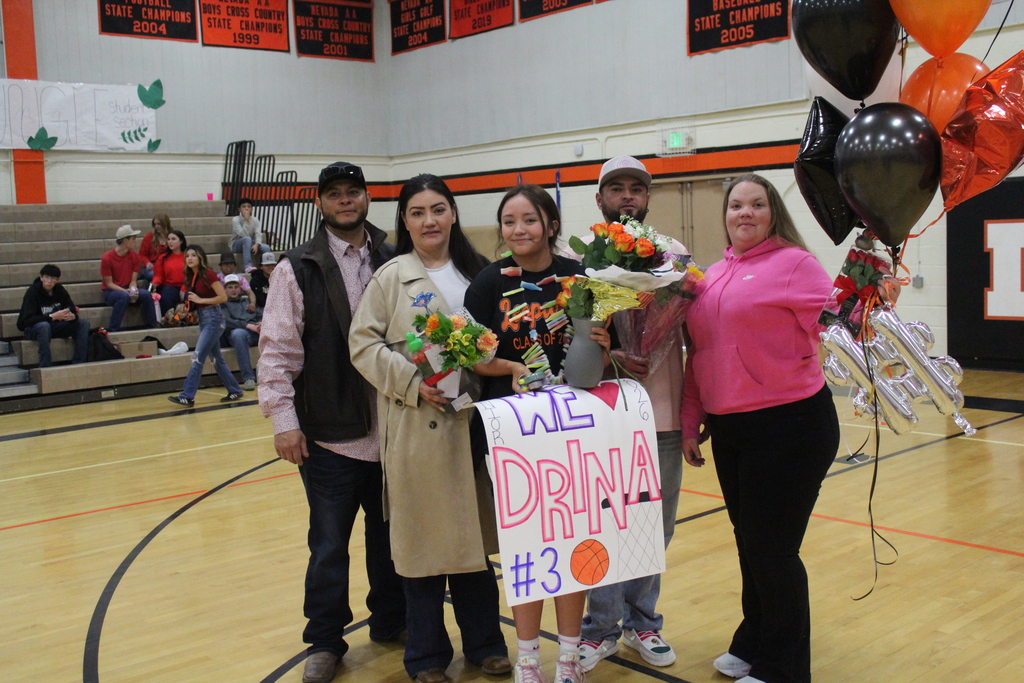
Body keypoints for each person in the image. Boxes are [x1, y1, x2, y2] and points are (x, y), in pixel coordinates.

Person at [681, 174, 843, 683]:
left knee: (773, 550)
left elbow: (840, 320)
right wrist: (691, 419)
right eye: (736, 205)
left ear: (773, 212)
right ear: (725, 215)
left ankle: (784, 667)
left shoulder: (795, 263)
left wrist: (867, 286)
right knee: (749, 543)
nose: (745, 213)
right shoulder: (711, 276)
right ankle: (755, 640)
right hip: (733, 429)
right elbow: (701, 354)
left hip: (791, 424)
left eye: (756, 204)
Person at [350, 175, 509, 683]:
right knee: (421, 547)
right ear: (405, 220)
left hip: (474, 427)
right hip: (418, 429)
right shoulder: (391, 278)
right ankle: (425, 656)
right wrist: (412, 382)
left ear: (453, 214)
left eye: (438, 209)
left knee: (472, 542)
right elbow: (363, 345)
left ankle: (486, 644)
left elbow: (499, 343)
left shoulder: (481, 273)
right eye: (417, 212)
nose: (429, 221)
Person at [257, 162, 405, 683]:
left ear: (366, 198)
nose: (345, 201)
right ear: (321, 203)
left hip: (394, 431)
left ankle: (391, 621)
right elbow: (277, 350)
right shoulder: (297, 268)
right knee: (328, 546)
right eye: (335, 194)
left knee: (390, 540)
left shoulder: (395, 256)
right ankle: (323, 640)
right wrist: (283, 421)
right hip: (330, 435)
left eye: (354, 193)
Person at [465, 184, 610, 683]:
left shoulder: (579, 277)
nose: (519, 229)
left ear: (550, 224)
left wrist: (603, 345)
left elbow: (596, 355)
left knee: (575, 544)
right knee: (525, 551)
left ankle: (568, 658)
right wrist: (506, 365)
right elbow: (471, 356)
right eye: (509, 221)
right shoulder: (486, 284)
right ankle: (529, 659)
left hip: (574, 430)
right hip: (512, 436)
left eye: (529, 219)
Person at [579, 156, 684, 671]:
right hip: (603, 417)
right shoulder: (584, 265)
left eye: (635, 190)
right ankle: (599, 629)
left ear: (648, 198)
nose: (626, 197)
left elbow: (694, 339)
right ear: (599, 199)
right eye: (615, 189)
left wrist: (692, 409)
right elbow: (576, 343)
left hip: (662, 417)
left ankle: (643, 622)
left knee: (654, 528)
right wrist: (612, 355)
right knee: (605, 524)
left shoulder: (674, 259)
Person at [167, 245, 244, 407]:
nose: (189, 258)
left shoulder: (208, 274)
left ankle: (187, 395)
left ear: (200, 257)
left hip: (214, 317)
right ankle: (235, 389)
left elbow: (223, 297)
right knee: (215, 358)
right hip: (204, 318)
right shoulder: (191, 276)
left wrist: (201, 301)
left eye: (193, 255)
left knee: (197, 358)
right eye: (187, 255)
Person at [17, 264, 90, 368]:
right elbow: (27, 321)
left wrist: (73, 316)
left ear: (57, 280)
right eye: (47, 277)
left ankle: (79, 362)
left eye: (53, 278)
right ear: (41, 278)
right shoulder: (32, 292)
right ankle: (45, 366)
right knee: (44, 326)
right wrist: (51, 317)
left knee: (83, 323)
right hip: (34, 328)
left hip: (54, 327)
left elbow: (71, 307)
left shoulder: (59, 290)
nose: (49, 281)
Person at [100, 225, 158, 332]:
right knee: (123, 297)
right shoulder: (107, 258)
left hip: (127, 288)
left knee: (145, 295)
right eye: (133, 239)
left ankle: (152, 326)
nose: (136, 241)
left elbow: (133, 280)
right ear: (125, 241)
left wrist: (133, 291)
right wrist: (126, 292)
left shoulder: (134, 256)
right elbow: (109, 284)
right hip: (111, 291)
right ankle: (113, 329)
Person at [220, 274, 260, 391]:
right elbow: (226, 321)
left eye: (236, 287)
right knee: (238, 334)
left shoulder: (247, 302)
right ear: (225, 289)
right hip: (236, 335)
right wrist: (248, 325)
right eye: (230, 287)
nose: (233, 290)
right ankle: (248, 377)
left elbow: (258, 315)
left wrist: (261, 323)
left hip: (254, 332)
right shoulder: (222, 304)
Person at [151, 230, 188, 316]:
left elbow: (193, 274)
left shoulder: (188, 256)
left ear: (181, 241)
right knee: (167, 296)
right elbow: (159, 275)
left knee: (189, 295)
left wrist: (184, 287)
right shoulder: (163, 257)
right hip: (170, 285)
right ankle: (169, 320)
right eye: (168, 239)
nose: (170, 242)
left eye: (173, 239)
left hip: (186, 284)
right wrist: (155, 283)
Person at [231, 197, 271, 272]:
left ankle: (266, 267)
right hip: (236, 245)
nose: (246, 209)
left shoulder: (255, 220)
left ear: (252, 209)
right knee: (247, 239)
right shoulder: (235, 219)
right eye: (244, 207)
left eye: (249, 207)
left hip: (250, 243)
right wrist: (246, 220)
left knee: (266, 247)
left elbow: (258, 234)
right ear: (239, 209)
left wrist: (257, 244)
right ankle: (248, 266)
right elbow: (243, 234)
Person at [139, 213, 171, 282]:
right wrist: (147, 263)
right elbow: (142, 255)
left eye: (159, 224)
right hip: (152, 267)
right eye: (155, 224)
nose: (156, 226)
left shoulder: (172, 237)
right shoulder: (149, 237)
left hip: (166, 266)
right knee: (153, 274)